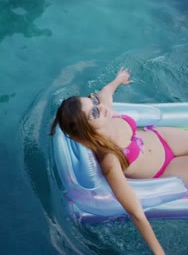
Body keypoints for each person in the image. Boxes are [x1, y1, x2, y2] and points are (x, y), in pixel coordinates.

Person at [50, 67, 188, 255]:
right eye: (94, 113)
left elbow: (105, 93)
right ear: (86, 130)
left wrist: (118, 80)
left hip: (163, 138)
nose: (100, 107)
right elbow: (135, 212)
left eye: (93, 102)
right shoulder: (110, 159)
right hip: (164, 167)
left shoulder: (106, 111)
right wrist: (159, 252)